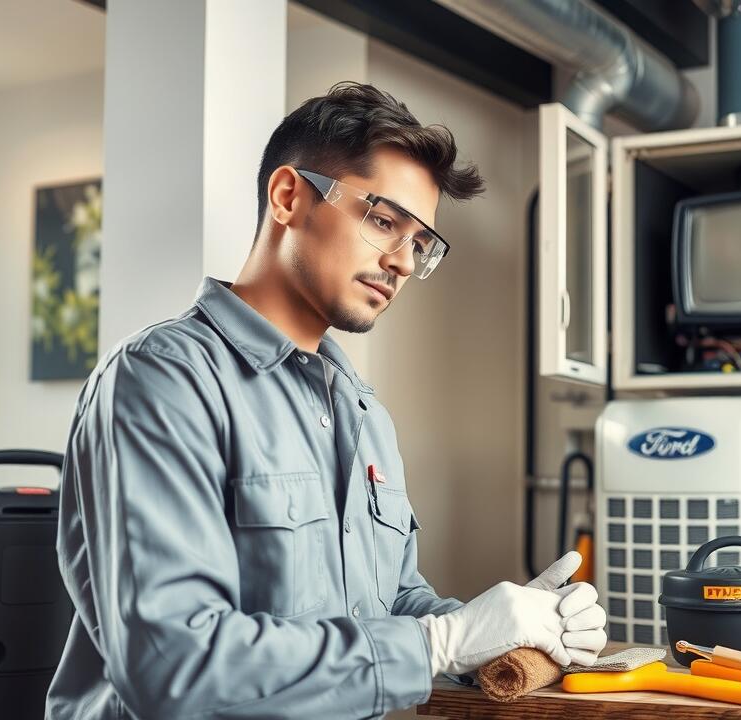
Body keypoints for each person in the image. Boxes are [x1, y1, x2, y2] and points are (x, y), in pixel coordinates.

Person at [45, 81, 607, 719]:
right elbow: (174, 663)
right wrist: (439, 645)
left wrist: (503, 628)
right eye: (384, 221)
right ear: (288, 196)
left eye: (421, 244)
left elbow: (389, 605)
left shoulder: (363, 414)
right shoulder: (162, 380)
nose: (401, 261)